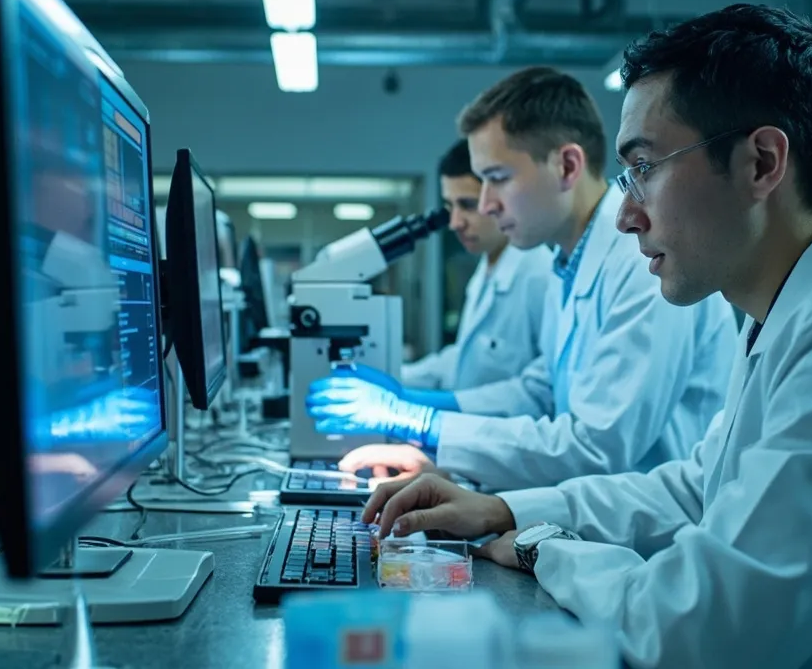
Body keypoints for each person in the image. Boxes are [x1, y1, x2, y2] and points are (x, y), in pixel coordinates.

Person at [359, 5, 812, 668]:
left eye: (644, 171)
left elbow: (703, 634)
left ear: (761, 163)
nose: (626, 214)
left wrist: (543, 546)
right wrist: (507, 509)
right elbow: (700, 487)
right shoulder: (793, 308)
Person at [308, 67, 738, 492]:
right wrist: (413, 403)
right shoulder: (568, 258)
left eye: (497, 179)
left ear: (567, 166)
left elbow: (598, 444)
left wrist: (424, 423)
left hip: (653, 539)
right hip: (588, 516)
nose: (486, 205)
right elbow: (541, 390)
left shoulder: (642, 260)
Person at [400, 139, 552, 392]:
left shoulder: (539, 275)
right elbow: (465, 358)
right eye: (450, 207)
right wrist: (394, 374)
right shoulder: (486, 268)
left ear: (497, 198)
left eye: (467, 205)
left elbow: (543, 389)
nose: (455, 222)